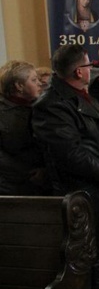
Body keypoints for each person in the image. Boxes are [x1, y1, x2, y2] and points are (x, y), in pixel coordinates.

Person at [32, 44, 99, 289]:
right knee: (87, 250)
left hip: (98, 186)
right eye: (89, 65)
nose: (93, 69)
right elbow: (71, 154)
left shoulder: (81, 95)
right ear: (78, 71)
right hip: (78, 189)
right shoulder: (52, 104)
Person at [0, 61, 46, 195]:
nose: (39, 83)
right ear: (19, 86)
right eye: (33, 80)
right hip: (14, 185)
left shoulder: (41, 106)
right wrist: (27, 173)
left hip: (44, 180)